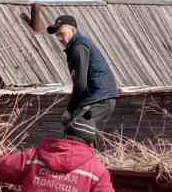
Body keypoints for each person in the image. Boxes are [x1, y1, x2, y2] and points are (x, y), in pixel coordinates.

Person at [47, 14, 119, 144]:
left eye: (62, 33)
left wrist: (70, 110)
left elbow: (80, 84)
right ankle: (92, 162)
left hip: (99, 98)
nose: (59, 38)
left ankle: (83, 162)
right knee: (89, 138)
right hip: (101, 98)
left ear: (73, 31)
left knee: (77, 133)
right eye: (57, 35)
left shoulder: (78, 48)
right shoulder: (77, 45)